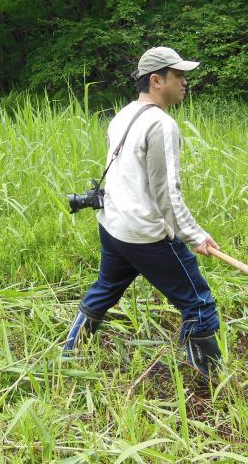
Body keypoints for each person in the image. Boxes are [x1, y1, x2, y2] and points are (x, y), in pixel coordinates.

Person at [63, 46, 222, 379]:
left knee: (106, 288)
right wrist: (195, 235)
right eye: (178, 76)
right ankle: (208, 381)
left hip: (114, 226)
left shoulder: (123, 114)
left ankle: (69, 353)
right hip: (145, 234)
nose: (184, 82)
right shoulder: (162, 125)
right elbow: (167, 194)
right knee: (199, 303)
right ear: (155, 80)